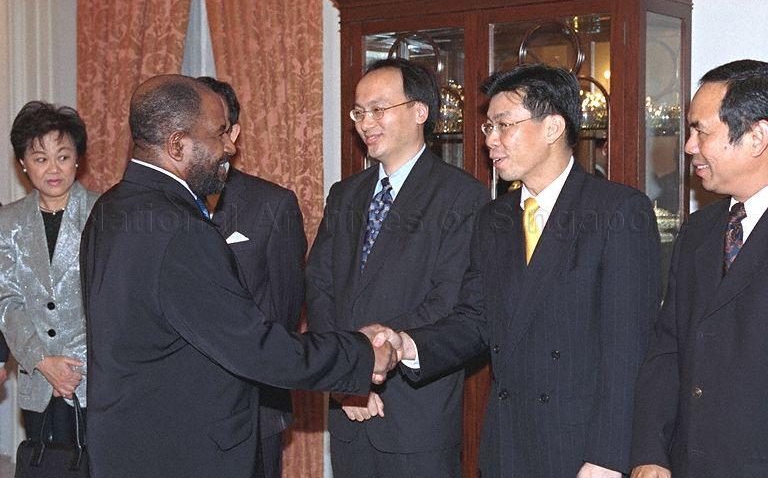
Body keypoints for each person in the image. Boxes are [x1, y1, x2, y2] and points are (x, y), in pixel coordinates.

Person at [81, 74, 398, 478]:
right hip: (185, 456)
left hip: (124, 448)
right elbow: (257, 346)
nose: (231, 146)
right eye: (219, 133)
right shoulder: (181, 231)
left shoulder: (108, 209)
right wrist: (360, 351)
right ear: (178, 145)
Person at [374, 63, 662, 477]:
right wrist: (408, 344)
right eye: (488, 127)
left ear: (552, 127)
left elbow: (627, 350)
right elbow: (475, 320)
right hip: (508, 445)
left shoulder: (616, 211)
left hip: (582, 449)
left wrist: (608, 457)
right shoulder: (495, 218)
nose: (491, 139)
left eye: (504, 125)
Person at [306, 58, 487, 478]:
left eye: (379, 109)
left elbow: (448, 302)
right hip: (349, 411)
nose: (366, 122)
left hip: (414, 418)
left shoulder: (461, 196)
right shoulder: (345, 194)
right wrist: (345, 373)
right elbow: (318, 287)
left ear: (420, 111)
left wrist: (371, 362)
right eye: (358, 112)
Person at [630, 59, 768, 478]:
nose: (689, 146)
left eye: (701, 131)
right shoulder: (702, 230)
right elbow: (668, 349)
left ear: (757, 137)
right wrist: (650, 453)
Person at [196, 76, 306, 478]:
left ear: (232, 134)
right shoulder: (159, 208)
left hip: (254, 406)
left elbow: (286, 312)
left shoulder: (271, 205)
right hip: (177, 409)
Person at [0, 101, 99, 442]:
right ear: (23, 165)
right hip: (37, 379)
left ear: (78, 159)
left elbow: (116, 300)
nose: (53, 168)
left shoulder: (105, 213)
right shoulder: (7, 221)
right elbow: (5, 301)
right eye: (40, 158)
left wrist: (72, 369)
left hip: (96, 379)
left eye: (63, 156)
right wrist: (45, 362)